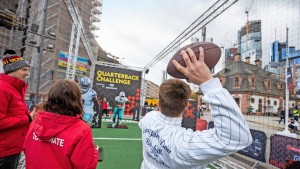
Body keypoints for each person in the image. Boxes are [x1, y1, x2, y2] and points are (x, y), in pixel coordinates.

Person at [138, 47, 252, 169]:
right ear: (187, 105)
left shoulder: (149, 119)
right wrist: (208, 82)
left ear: (158, 104)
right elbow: (238, 138)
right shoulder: (183, 144)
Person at [23, 79, 98, 169]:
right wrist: (95, 151)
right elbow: (85, 166)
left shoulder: (37, 121)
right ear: (77, 99)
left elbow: (25, 148)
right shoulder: (81, 129)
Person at [0, 49, 37, 169]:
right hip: (4, 151)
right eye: (24, 70)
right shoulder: (3, 89)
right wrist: (28, 118)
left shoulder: (15, 88)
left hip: (12, 148)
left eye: (28, 70)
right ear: (12, 70)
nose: (27, 73)